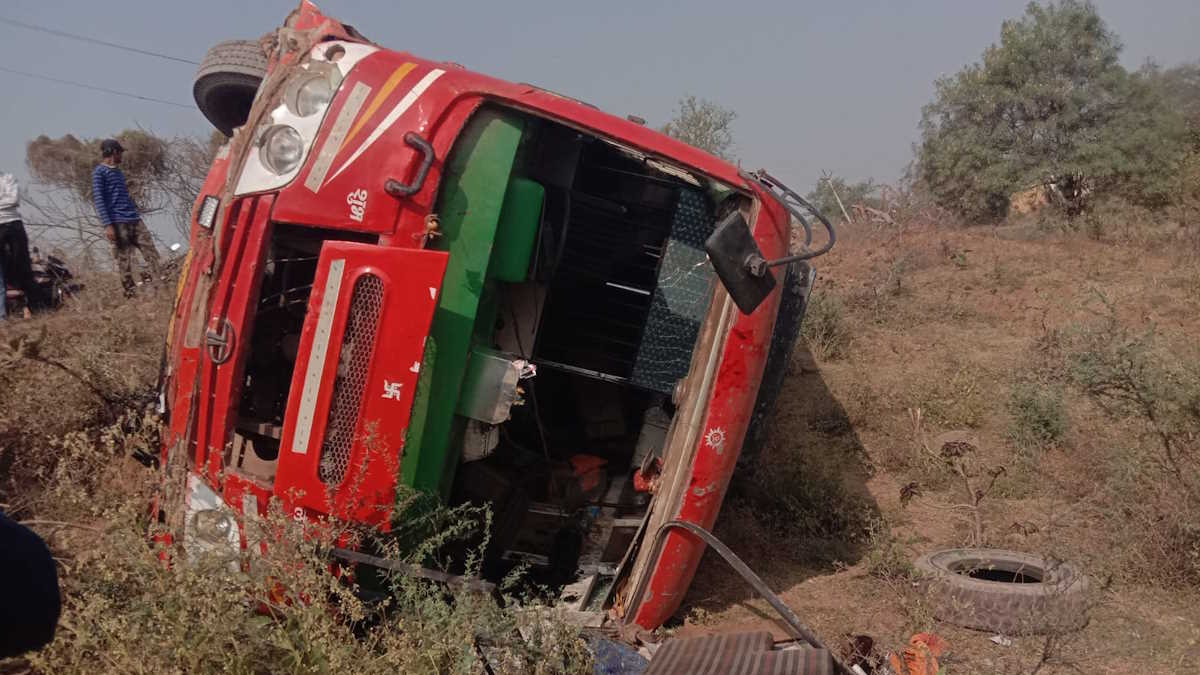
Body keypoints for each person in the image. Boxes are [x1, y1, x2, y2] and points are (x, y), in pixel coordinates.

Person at [92, 139, 161, 296]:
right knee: (125, 259)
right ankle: (130, 293)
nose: (121, 155)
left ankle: (160, 284)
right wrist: (107, 225)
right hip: (117, 221)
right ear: (113, 152)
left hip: (134, 218)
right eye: (120, 152)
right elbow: (99, 199)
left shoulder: (118, 172)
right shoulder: (99, 173)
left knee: (150, 251)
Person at [0, 172, 41, 317]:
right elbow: (8, 200)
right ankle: (4, 314)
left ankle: (36, 307)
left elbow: (14, 200)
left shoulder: (8, 177)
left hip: (13, 223)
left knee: (23, 264)